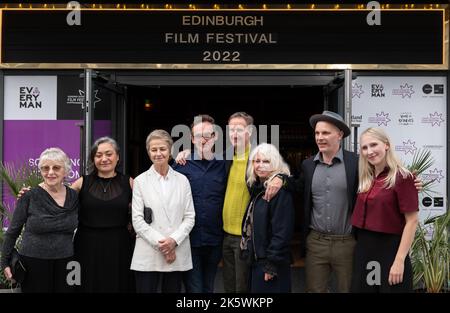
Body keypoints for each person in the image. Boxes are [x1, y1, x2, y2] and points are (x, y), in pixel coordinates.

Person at [293, 110, 422, 293]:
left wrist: (412, 182)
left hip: (358, 244)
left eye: (326, 132)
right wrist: (278, 178)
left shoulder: (358, 165)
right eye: (317, 133)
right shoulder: (362, 174)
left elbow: (411, 217)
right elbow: (297, 188)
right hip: (347, 246)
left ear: (339, 135)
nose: (369, 151)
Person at [176, 112, 284, 293]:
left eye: (239, 129)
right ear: (191, 138)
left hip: (240, 238)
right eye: (231, 130)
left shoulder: (253, 159)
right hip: (208, 237)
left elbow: (284, 174)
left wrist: (281, 178)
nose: (203, 140)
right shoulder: (218, 160)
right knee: (216, 287)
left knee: (238, 287)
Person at [1, 147, 78, 293]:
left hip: (67, 262)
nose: (50, 172)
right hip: (33, 263)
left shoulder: (74, 197)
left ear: (66, 171)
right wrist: (4, 262)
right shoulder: (29, 196)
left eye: (56, 167)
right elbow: (12, 232)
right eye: (45, 168)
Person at [350, 127, 418, 293]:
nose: (369, 151)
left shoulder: (402, 177)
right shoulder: (365, 177)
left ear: (386, 145)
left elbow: (412, 221)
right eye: (364, 147)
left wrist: (399, 260)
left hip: (390, 251)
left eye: (374, 145)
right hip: (365, 250)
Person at [131, 129, 195, 293]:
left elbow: (189, 217)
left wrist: (173, 241)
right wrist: (164, 246)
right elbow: (137, 221)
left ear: (170, 151)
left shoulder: (183, 180)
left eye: (162, 149)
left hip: (177, 251)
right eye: (154, 150)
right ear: (148, 152)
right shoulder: (140, 181)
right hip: (148, 251)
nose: (158, 153)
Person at [72, 136, 135, 293]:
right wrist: (31, 194)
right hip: (86, 245)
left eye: (109, 154)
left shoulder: (130, 182)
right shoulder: (81, 182)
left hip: (119, 245)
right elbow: (58, 198)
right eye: (98, 155)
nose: (104, 159)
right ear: (93, 159)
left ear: (117, 157)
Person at [172, 115, 226, 293]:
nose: (204, 139)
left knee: (208, 287)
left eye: (208, 135)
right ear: (192, 139)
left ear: (215, 136)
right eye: (199, 135)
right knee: (194, 289)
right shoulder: (181, 165)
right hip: (189, 239)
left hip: (215, 239)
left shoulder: (225, 165)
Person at [240, 143, 295, 293]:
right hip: (258, 260)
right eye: (257, 161)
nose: (260, 165)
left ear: (275, 164)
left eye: (266, 161)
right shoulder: (258, 188)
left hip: (270, 264)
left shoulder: (279, 192)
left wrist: (271, 265)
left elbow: (282, 233)